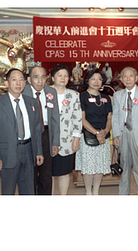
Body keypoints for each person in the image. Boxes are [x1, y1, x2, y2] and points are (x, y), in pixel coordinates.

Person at [0, 68, 44, 195]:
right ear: (7, 83)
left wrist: (38, 151)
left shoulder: (32, 102)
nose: (18, 83)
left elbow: (36, 129)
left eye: (21, 80)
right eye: (14, 80)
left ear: (25, 83)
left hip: (29, 151)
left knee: (29, 190)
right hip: (8, 154)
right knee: (8, 191)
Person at [112, 67, 138, 195]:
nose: (128, 79)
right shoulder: (117, 95)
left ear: (136, 78)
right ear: (121, 79)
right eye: (125, 76)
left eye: (131, 76)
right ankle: (123, 194)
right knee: (124, 166)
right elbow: (115, 116)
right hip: (123, 133)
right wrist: (116, 135)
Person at [22, 66, 60, 195]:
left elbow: (55, 118)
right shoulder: (23, 92)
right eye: (36, 77)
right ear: (29, 79)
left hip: (46, 134)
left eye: (43, 77)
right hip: (30, 136)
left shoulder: (51, 92)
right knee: (30, 173)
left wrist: (55, 142)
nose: (40, 81)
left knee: (46, 173)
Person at [75, 68, 112, 195]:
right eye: (93, 79)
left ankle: (96, 192)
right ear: (87, 80)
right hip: (88, 135)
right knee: (89, 166)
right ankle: (88, 192)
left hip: (104, 136)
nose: (96, 82)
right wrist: (96, 133)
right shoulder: (82, 96)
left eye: (100, 79)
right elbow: (82, 119)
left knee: (100, 165)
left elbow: (109, 118)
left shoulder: (106, 98)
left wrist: (105, 131)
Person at [51, 64, 82, 195]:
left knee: (64, 172)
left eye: (65, 76)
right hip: (48, 139)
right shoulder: (45, 93)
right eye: (59, 75)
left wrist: (76, 139)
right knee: (49, 173)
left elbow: (77, 118)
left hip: (67, 139)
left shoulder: (74, 95)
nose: (62, 78)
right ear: (53, 78)